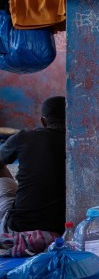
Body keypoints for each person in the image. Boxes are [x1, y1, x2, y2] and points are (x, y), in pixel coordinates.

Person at [0, 96, 66, 233]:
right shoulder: (83, 145)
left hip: (19, 227)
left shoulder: (24, 137)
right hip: (64, 227)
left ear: (43, 121)